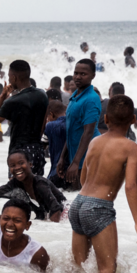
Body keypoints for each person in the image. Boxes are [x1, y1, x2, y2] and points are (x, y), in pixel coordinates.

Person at [68, 95, 137, 273]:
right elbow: (130, 186)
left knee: (77, 270)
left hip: (78, 204)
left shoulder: (94, 141)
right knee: (107, 272)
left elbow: (83, 178)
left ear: (106, 119)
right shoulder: (131, 148)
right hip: (98, 208)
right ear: (133, 120)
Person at [0, 151, 65, 221]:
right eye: (12, 166)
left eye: (21, 163)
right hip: (50, 213)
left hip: (65, 213)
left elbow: (56, 208)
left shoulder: (40, 184)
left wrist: (52, 229)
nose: (17, 168)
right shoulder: (15, 184)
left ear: (30, 164)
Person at [0, 60, 49, 176]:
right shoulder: (42, 95)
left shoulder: (13, 101)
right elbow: (43, 124)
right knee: (37, 190)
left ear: (14, 77)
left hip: (18, 155)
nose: (9, 79)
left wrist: (2, 97)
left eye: (9, 76)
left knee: (18, 192)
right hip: (37, 150)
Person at [56, 59, 102, 187]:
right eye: (76, 73)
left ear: (93, 75)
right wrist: (62, 157)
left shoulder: (91, 99)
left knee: (87, 198)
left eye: (83, 74)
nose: (77, 77)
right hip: (75, 157)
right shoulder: (74, 96)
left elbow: (88, 132)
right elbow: (71, 130)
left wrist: (75, 162)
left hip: (89, 157)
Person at [43, 97, 68, 184]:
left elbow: (42, 145)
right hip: (72, 171)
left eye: (47, 117)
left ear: (51, 114)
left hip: (56, 172)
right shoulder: (72, 123)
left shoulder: (50, 126)